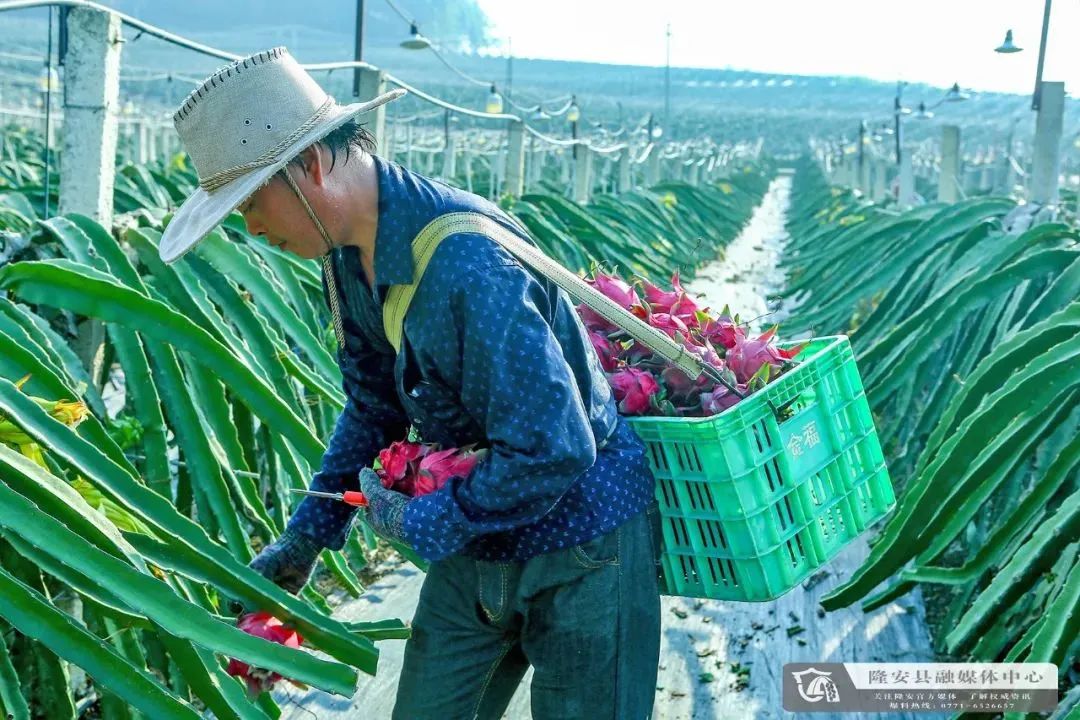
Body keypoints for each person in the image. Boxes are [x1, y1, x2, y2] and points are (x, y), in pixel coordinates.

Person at [160, 46, 662, 719]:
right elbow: (373, 408)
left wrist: (425, 518)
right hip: (479, 541)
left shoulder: (467, 266)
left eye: (252, 204)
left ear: (309, 166)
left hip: (583, 549)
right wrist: (307, 538)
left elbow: (557, 448)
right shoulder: (345, 262)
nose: (251, 229)